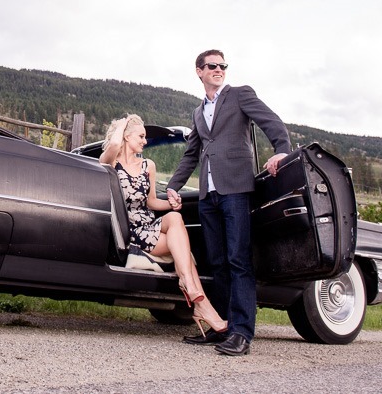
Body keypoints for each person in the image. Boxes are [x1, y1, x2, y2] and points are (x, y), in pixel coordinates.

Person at [166, 50, 291, 356]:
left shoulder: (239, 95)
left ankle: (241, 332)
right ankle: (221, 327)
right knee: (217, 262)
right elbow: (191, 155)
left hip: (236, 189)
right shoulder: (198, 113)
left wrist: (282, 149)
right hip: (209, 195)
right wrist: (172, 186)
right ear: (199, 71)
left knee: (238, 260)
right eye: (212, 66)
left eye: (223, 65)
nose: (219, 69)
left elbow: (270, 121)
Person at [100, 114, 227, 338]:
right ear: (126, 136)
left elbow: (151, 202)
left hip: (150, 224)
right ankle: (201, 304)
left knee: (175, 219)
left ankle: (189, 285)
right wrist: (124, 122)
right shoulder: (112, 162)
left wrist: (171, 202)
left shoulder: (148, 165)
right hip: (131, 231)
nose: (145, 141)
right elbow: (113, 145)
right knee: (183, 250)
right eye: (140, 136)